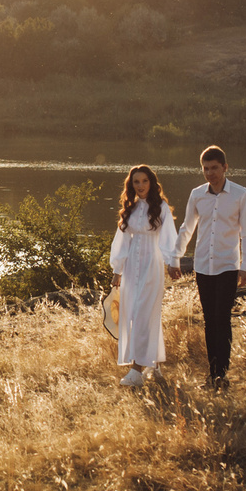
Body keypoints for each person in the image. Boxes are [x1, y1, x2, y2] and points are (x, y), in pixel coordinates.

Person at [171, 144, 246, 388]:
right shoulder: (197, 194)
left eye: (214, 168)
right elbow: (187, 228)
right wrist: (175, 257)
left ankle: (221, 374)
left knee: (222, 318)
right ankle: (213, 372)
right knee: (209, 320)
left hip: (228, 265)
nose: (210, 173)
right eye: (205, 169)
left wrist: (245, 265)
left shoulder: (241, 194)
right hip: (203, 266)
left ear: (225, 167)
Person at [106, 163, 177, 387]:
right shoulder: (130, 208)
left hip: (151, 265)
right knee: (134, 314)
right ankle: (153, 365)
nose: (140, 186)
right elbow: (123, 240)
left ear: (151, 183)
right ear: (131, 185)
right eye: (136, 182)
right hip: (130, 267)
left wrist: (172, 263)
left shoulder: (161, 207)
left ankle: (136, 369)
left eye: (144, 181)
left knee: (144, 314)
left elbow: (168, 238)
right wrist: (117, 270)